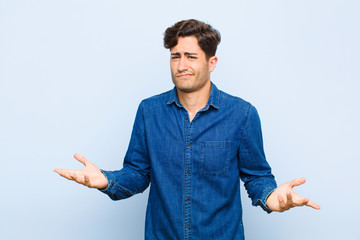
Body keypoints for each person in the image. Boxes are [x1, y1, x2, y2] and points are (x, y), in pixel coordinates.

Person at [54, 19, 320, 240]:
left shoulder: (242, 114)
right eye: (175, 57)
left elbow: (256, 176)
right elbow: (137, 173)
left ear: (211, 62)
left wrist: (272, 197)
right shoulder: (149, 111)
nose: (182, 65)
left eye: (191, 57)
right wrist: (107, 180)